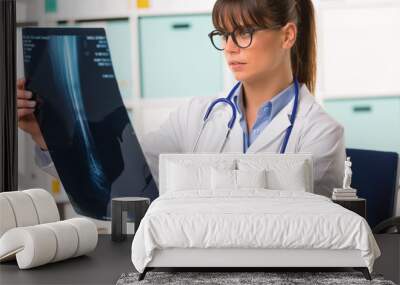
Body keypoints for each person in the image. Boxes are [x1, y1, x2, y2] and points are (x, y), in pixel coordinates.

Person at [17, 0, 345, 197]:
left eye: (244, 33)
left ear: (287, 35)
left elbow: (280, 225)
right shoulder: (197, 116)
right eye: (223, 34)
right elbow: (127, 175)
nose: (230, 47)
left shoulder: (320, 133)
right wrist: (47, 134)